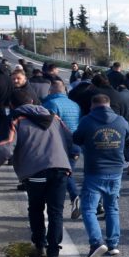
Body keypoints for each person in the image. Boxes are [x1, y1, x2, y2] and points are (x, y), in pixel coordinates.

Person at [0, 91, 74, 257]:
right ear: (32, 101)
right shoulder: (54, 118)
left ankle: (39, 246)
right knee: (56, 212)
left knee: (36, 208)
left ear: (12, 106)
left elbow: (5, 150)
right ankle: (54, 253)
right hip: (61, 170)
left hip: (36, 172)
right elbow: (71, 141)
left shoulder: (15, 120)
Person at [72, 94, 129, 257]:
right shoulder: (120, 120)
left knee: (89, 209)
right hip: (116, 170)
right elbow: (128, 134)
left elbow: (76, 138)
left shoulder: (87, 120)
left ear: (92, 105)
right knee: (112, 207)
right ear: (109, 104)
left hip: (95, 171)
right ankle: (113, 244)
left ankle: (96, 242)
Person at [42, 81, 84, 219]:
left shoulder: (50, 104)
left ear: (51, 90)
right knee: (67, 171)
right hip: (75, 143)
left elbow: (46, 126)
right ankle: (74, 198)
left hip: (59, 144)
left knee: (62, 174)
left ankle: (73, 197)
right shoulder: (75, 105)